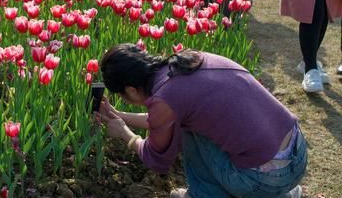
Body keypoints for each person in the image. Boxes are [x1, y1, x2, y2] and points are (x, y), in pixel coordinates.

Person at [97, 44, 306, 198]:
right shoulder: (190, 62)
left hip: (265, 180)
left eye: (122, 96)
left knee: (188, 130)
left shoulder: (166, 99)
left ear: (131, 90)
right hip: (297, 154)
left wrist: (125, 134)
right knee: (189, 121)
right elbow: (165, 119)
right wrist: (121, 116)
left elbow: (156, 158)